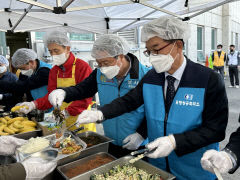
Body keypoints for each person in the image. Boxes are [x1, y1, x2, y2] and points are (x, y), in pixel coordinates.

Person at [68, 16, 229, 180]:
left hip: (196, 168)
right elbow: (129, 101)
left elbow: (215, 129)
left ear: (178, 45)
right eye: (149, 51)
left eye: (156, 49)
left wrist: (175, 142)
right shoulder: (152, 76)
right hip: (158, 167)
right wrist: (101, 113)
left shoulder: (207, 79)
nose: (152, 56)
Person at [48, 34, 149, 157]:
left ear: (120, 56)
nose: (103, 68)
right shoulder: (99, 74)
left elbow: (154, 111)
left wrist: (141, 134)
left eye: (106, 62)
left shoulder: (145, 75)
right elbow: (83, 89)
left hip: (137, 142)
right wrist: (64, 92)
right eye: (99, 63)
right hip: (110, 138)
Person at [17, 31, 96, 133]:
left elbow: (85, 97)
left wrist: (66, 113)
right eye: (50, 51)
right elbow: (51, 95)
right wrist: (33, 104)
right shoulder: (54, 70)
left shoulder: (82, 67)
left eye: (56, 51)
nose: (53, 55)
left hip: (81, 120)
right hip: (61, 120)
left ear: (67, 48)